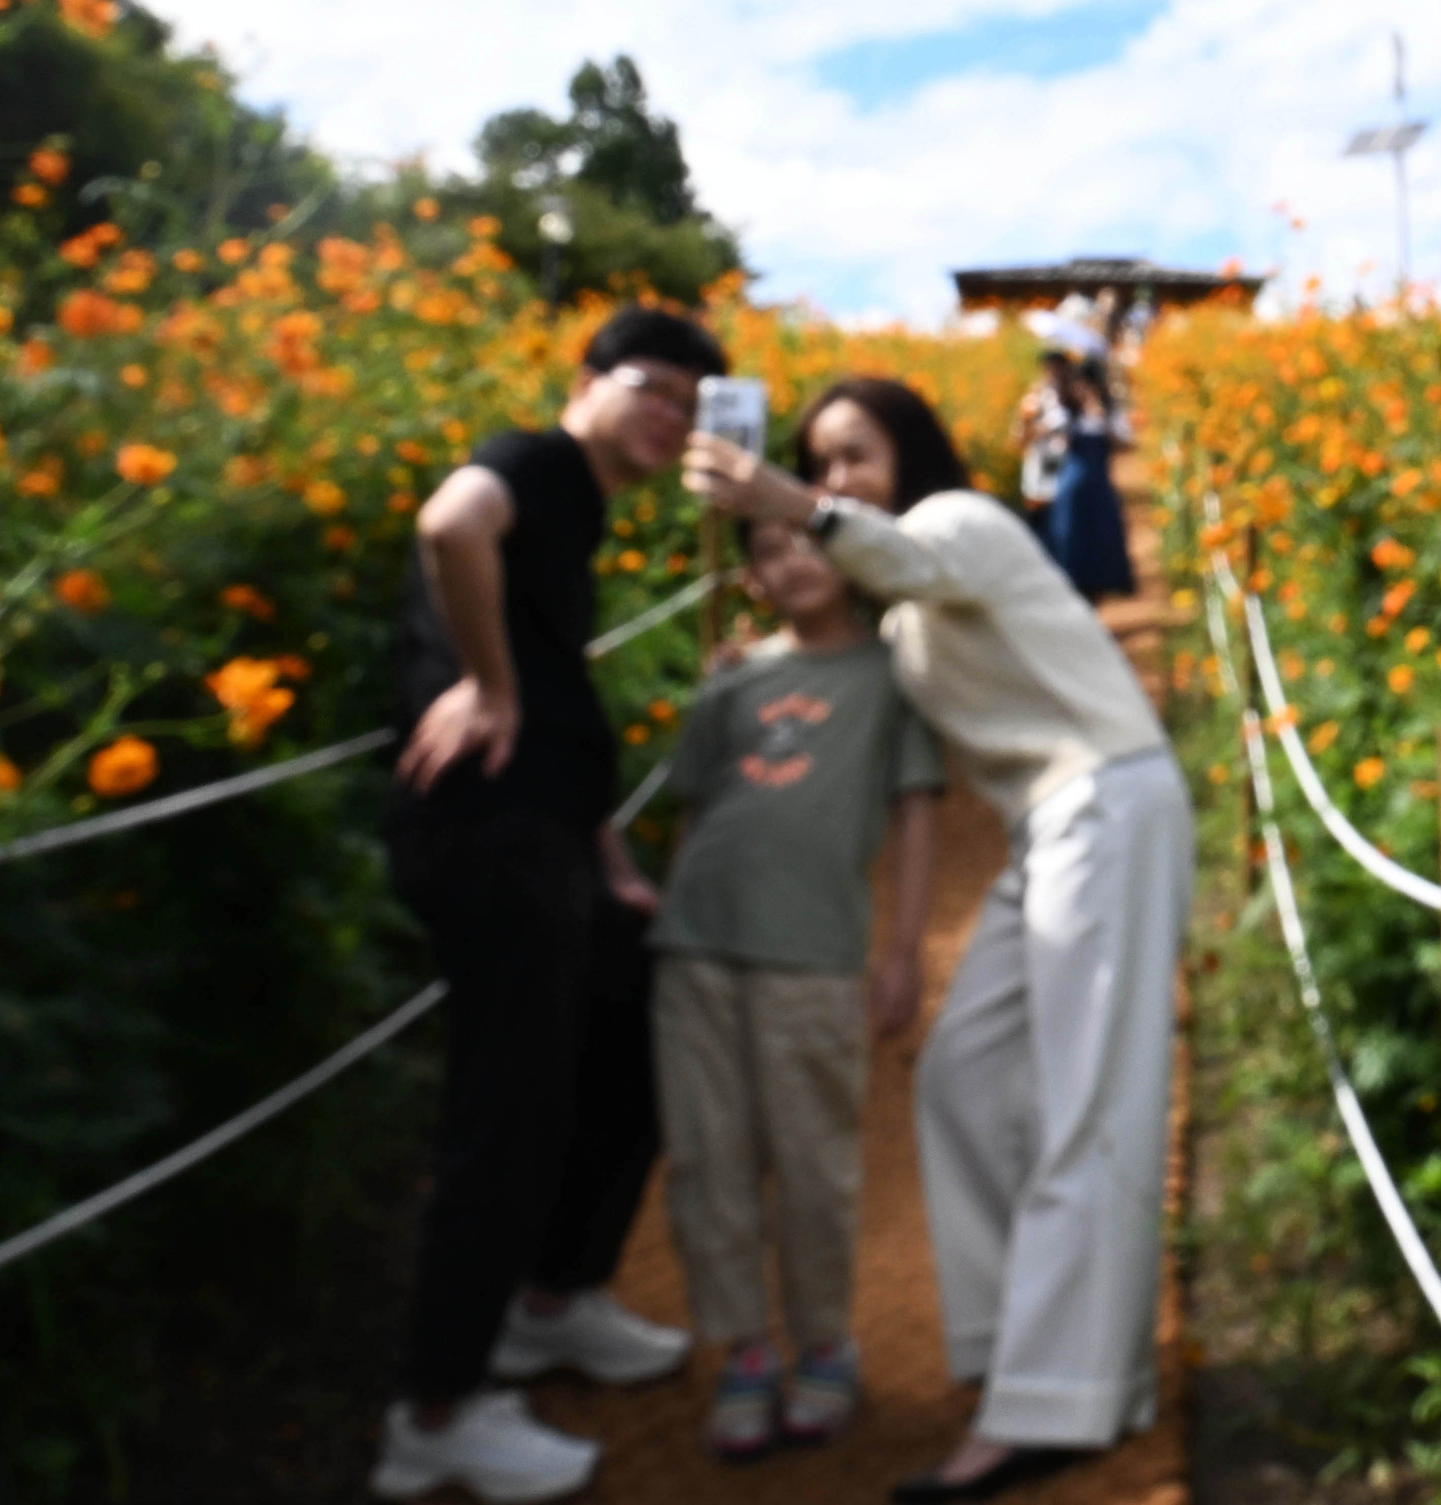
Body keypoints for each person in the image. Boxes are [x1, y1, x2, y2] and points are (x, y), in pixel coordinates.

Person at [686, 376, 1187, 1503]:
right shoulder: (904, 594)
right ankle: (1046, 1359)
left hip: (1105, 802)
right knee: (961, 1079)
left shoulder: (960, 525)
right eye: (819, 461)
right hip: (1051, 828)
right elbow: (860, 637)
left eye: (854, 454)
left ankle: (1045, 1411)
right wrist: (753, 661)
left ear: (909, 452)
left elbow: (900, 556)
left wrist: (781, 496)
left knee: (1083, 1106)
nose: (836, 479)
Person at [375, 306, 722, 1505]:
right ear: (587, 381)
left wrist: (605, 845)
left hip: (549, 839)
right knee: (507, 1115)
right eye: (654, 387)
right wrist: (484, 682)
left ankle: (550, 1300)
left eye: (688, 401)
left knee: (632, 1021)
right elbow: (448, 523)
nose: (671, 414)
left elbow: (556, 689)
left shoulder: (576, 505)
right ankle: (435, 1412)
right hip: (486, 836)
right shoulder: (529, 459)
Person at [650, 516, 944, 1461]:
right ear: (750, 575)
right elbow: (696, 809)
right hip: (696, 946)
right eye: (768, 551)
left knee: (815, 1160)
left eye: (805, 540)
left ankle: (824, 1340)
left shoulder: (896, 676)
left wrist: (902, 949)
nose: (792, 563)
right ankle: (742, 1349)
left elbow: (918, 815)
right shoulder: (733, 676)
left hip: (814, 955)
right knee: (708, 1157)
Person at [1035, 333, 1135, 604]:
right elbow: (1049, 441)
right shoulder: (1063, 414)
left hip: (1099, 488)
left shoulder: (1107, 415)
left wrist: (1099, 413)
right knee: (1070, 542)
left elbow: (1125, 444)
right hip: (1070, 490)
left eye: (1087, 386)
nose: (1082, 391)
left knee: (1100, 541)